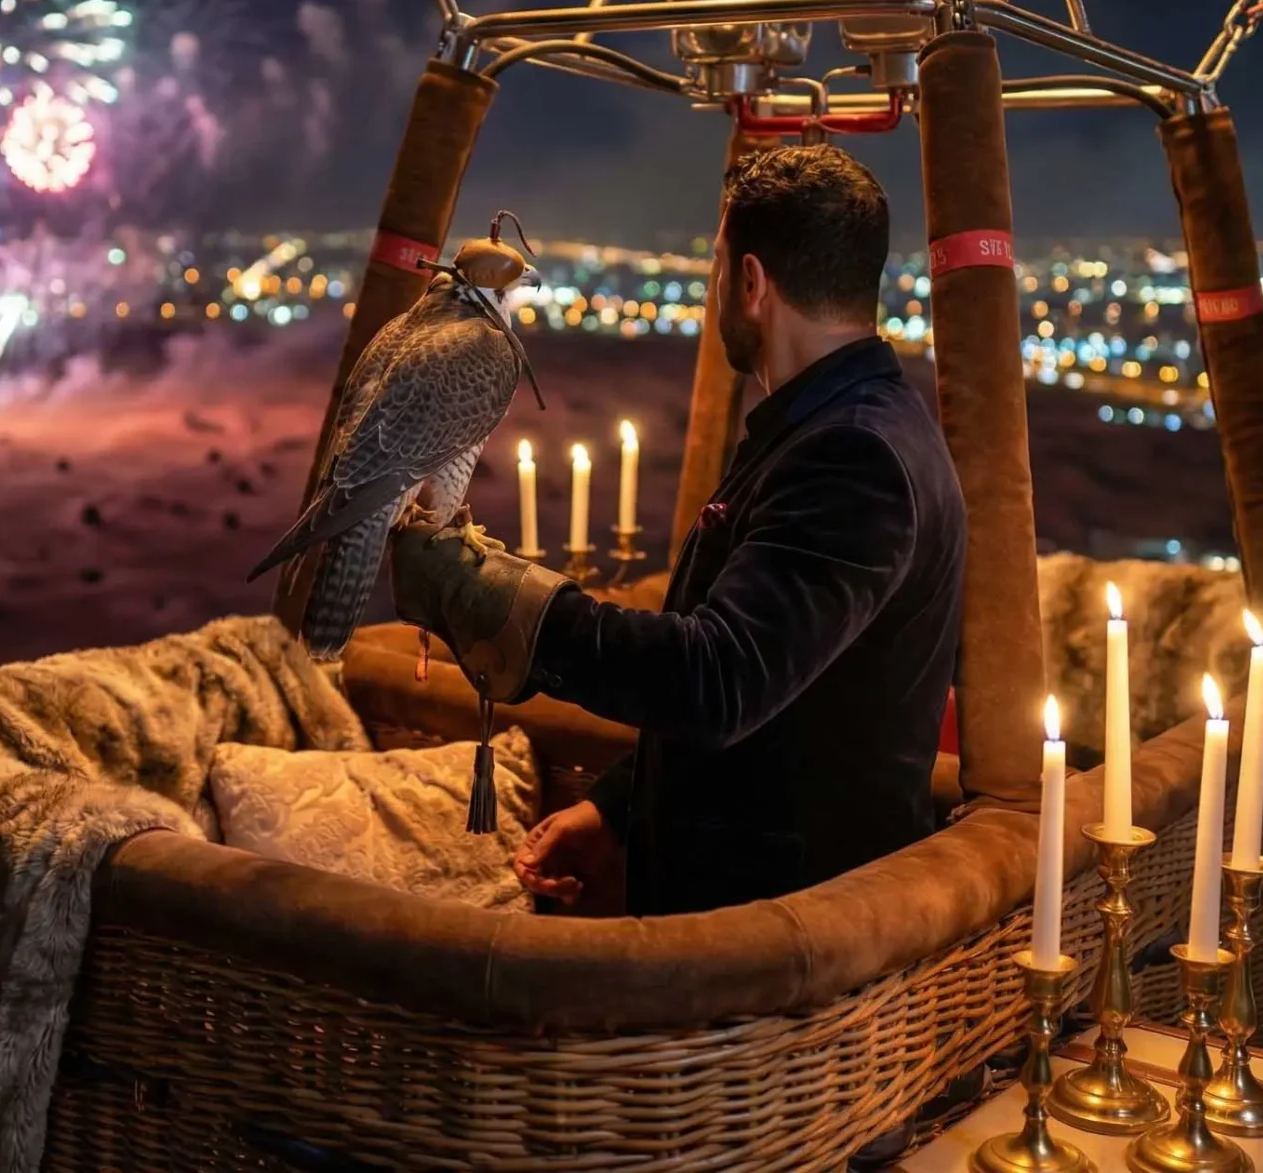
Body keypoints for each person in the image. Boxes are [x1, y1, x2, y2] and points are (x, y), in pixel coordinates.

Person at [391, 144, 967, 917]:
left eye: (717, 267)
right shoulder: (830, 426)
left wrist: (502, 601)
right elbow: (782, 691)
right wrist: (621, 810)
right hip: (765, 920)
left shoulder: (851, 455)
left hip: (785, 947)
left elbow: (717, 677)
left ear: (751, 281)